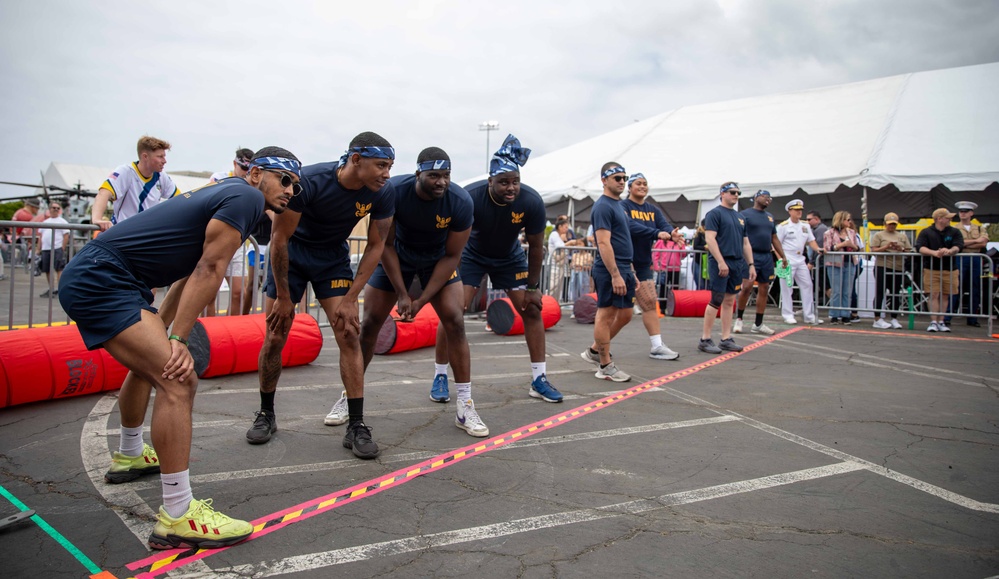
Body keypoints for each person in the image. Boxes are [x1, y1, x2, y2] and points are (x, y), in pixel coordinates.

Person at [58, 147, 300, 550]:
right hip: (104, 279)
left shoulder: (225, 199)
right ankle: (177, 515)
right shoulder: (246, 196)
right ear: (256, 174)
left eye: (297, 186)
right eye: (285, 180)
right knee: (178, 379)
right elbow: (209, 269)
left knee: (153, 366)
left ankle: (130, 455)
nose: (291, 191)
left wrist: (164, 330)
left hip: (106, 277)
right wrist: (179, 342)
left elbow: (187, 276)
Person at [248, 133, 395, 461]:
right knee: (275, 336)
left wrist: (350, 298)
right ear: (356, 160)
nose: (387, 173)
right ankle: (265, 413)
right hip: (293, 254)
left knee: (348, 334)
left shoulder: (382, 192)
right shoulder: (309, 182)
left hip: (332, 258)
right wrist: (285, 296)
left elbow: (375, 246)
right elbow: (280, 238)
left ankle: (355, 425)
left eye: (390, 166)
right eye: (381, 165)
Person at [358, 147, 487, 436]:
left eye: (446, 175)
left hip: (437, 259)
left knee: (454, 319)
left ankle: (465, 405)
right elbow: (385, 245)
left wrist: (422, 300)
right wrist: (403, 294)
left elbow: (453, 256)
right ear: (418, 174)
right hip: (397, 257)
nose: (441, 182)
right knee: (369, 324)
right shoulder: (394, 191)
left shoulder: (460, 201)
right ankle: (350, 397)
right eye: (433, 175)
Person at [434, 134, 564, 404]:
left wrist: (532, 287)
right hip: (472, 255)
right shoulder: (470, 197)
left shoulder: (530, 201)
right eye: (504, 182)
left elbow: (537, 247)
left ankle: (539, 379)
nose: (511, 188)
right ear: (490, 181)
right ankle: (440, 375)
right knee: (452, 313)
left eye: (515, 182)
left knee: (532, 310)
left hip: (509, 257)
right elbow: (449, 238)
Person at [580, 163, 635, 381]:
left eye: (624, 177)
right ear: (604, 180)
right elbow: (603, 243)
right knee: (606, 315)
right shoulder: (602, 206)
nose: (622, 181)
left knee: (626, 314)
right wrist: (615, 274)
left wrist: (630, 271)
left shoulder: (619, 205)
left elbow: (624, 239)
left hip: (624, 267)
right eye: (617, 178)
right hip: (609, 269)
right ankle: (604, 365)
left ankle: (594, 350)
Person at [621, 172, 681, 360]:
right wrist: (657, 233)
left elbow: (664, 226)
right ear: (629, 187)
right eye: (638, 183)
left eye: (645, 184)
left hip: (643, 263)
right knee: (619, 311)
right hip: (623, 262)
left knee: (649, 302)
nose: (642, 186)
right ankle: (597, 348)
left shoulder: (652, 209)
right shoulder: (622, 206)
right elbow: (630, 227)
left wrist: (672, 233)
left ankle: (657, 346)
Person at [698, 182, 755, 354]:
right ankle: (705, 339)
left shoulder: (740, 217)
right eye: (732, 192)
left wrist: (751, 264)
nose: (736, 195)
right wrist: (721, 261)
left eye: (738, 192)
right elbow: (710, 239)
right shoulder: (714, 214)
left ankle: (725, 338)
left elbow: (745, 243)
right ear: (722, 193)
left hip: (737, 262)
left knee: (730, 300)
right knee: (716, 299)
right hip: (721, 261)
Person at [91, 136, 181, 231]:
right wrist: (97, 219)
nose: (164, 161)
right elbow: (103, 194)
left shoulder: (162, 177)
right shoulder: (126, 172)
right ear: (145, 156)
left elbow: (180, 200)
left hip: (146, 235)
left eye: (164, 156)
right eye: (160, 157)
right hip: (123, 234)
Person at [207, 148, 255, 316]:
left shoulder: (253, 183)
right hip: (217, 244)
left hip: (237, 243)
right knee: (209, 295)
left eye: (249, 170)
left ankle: (228, 335)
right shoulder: (218, 179)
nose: (245, 173)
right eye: (243, 168)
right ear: (235, 164)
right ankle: (207, 333)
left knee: (238, 293)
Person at [734, 190, 787, 335]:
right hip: (750, 255)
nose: (768, 199)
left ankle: (758, 323)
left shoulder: (770, 217)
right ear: (756, 198)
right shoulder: (745, 214)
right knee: (747, 287)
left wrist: (782, 256)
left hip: (766, 256)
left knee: (764, 288)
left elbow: (774, 238)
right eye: (765, 197)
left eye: (770, 197)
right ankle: (739, 318)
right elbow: (737, 234)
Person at [915, 207, 964, 332]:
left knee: (945, 295)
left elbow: (959, 245)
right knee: (933, 294)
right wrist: (933, 253)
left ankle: (941, 321)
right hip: (931, 268)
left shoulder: (954, 231)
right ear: (939, 219)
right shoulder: (926, 232)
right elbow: (920, 247)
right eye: (947, 218)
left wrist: (950, 250)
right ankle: (933, 321)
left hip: (950, 268)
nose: (950, 220)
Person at [776, 199, 824, 325]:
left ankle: (809, 315)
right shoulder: (783, 226)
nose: (799, 212)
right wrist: (781, 259)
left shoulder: (805, 225)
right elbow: (776, 245)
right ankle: (788, 314)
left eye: (800, 210)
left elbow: (811, 240)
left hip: (800, 258)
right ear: (790, 211)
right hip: (786, 258)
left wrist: (818, 249)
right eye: (796, 210)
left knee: (807, 285)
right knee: (787, 287)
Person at [869, 212, 912, 329]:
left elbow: (909, 252)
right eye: (889, 224)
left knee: (895, 293)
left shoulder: (902, 236)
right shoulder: (878, 235)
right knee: (880, 292)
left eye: (894, 224)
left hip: (897, 267)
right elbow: (873, 250)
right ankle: (877, 318)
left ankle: (894, 318)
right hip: (882, 266)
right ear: (884, 224)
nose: (892, 226)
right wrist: (886, 247)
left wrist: (900, 249)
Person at [948, 201, 988, 327]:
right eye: (961, 212)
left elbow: (983, 244)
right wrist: (976, 241)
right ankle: (948, 317)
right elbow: (957, 243)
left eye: (965, 212)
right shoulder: (954, 228)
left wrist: (966, 242)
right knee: (955, 287)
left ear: (971, 213)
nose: (963, 214)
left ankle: (972, 318)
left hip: (975, 258)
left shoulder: (980, 227)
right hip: (960, 257)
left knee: (974, 288)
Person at [822, 211, 859, 324]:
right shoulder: (829, 233)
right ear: (841, 220)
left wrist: (851, 245)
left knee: (847, 291)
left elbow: (857, 247)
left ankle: (845, 314)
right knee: (837, 290)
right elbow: (827, 248)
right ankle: (834, 315)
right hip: (834, 263)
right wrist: (842, 245)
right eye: (847, 220)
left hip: (850, 263)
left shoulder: (852, 232)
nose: (850, 222)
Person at [38, 201, 70, 297]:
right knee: (47, 269)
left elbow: (66, 236)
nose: (56, 210)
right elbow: (41, 236)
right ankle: (51, 288)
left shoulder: (63, 222)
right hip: (46, 248)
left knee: (59, 269)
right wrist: (38, 249)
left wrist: (62, 248)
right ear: (50, 209)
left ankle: (60, 289)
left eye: (58, 208)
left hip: (57, 248)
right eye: (54, 208)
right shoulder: (45, 222)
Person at [652, 235, 684, 313]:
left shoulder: (679, 242)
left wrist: (681, 248)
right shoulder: (661, 242)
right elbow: (655, 254)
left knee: (675, 289)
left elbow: (683, 255)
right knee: (663, 288)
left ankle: (674, 307)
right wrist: (656, 266)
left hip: (676, 268)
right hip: (664, 269)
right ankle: (662, 308)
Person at [12, 198, 45, 273]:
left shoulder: (19, 212)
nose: (37, 210)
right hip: (22, 240)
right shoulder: (27, 216)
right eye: (37, 208)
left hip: (16, 239)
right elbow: (29, 231)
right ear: (32, 207)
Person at [807, 210, 829, 303]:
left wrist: (812, 262)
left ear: (816, 219)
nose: (807, 222)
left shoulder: (821, 229)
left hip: (820, 263)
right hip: (818, 262)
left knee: (825, 285)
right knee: (823, 285)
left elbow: (818, 247)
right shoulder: (815, 229)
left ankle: (835, 306)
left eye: (809, 219)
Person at [691, 220, 708, 290]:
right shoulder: (699, 234)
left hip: (706, 263)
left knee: (707, 284)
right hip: (698, 262)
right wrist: (704, 247)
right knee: (700, 284)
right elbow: (695, 246)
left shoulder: (711, 234)